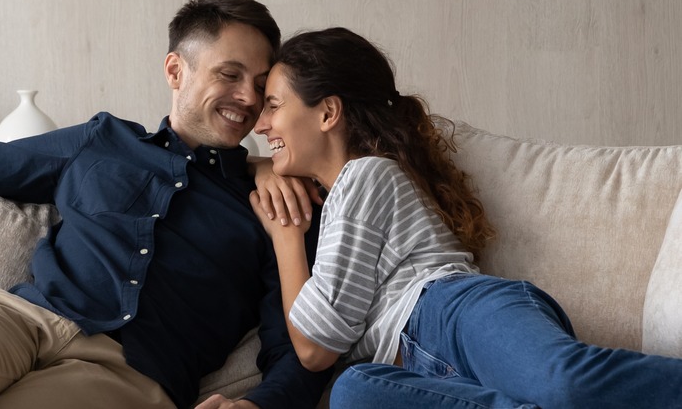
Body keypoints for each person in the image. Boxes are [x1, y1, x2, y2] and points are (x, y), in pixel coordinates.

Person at [0, 0, 332, 409]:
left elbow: (298, 347)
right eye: (230, 75)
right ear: (176, 71)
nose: (249, 98)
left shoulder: (277, 208)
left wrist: (258, 404)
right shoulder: (101, 141)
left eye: (260, 85)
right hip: (24, 319)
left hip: (131, 374)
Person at [248, 26, 682, 408]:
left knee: (564, 383)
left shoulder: (366, 174)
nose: (260, 125)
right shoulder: (335, 194)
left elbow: (314, 347)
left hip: (455, 313)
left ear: (327, 112)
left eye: (272, 105)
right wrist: (258, 168)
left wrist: (286, 233)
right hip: (420, 371)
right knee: (354, 391)